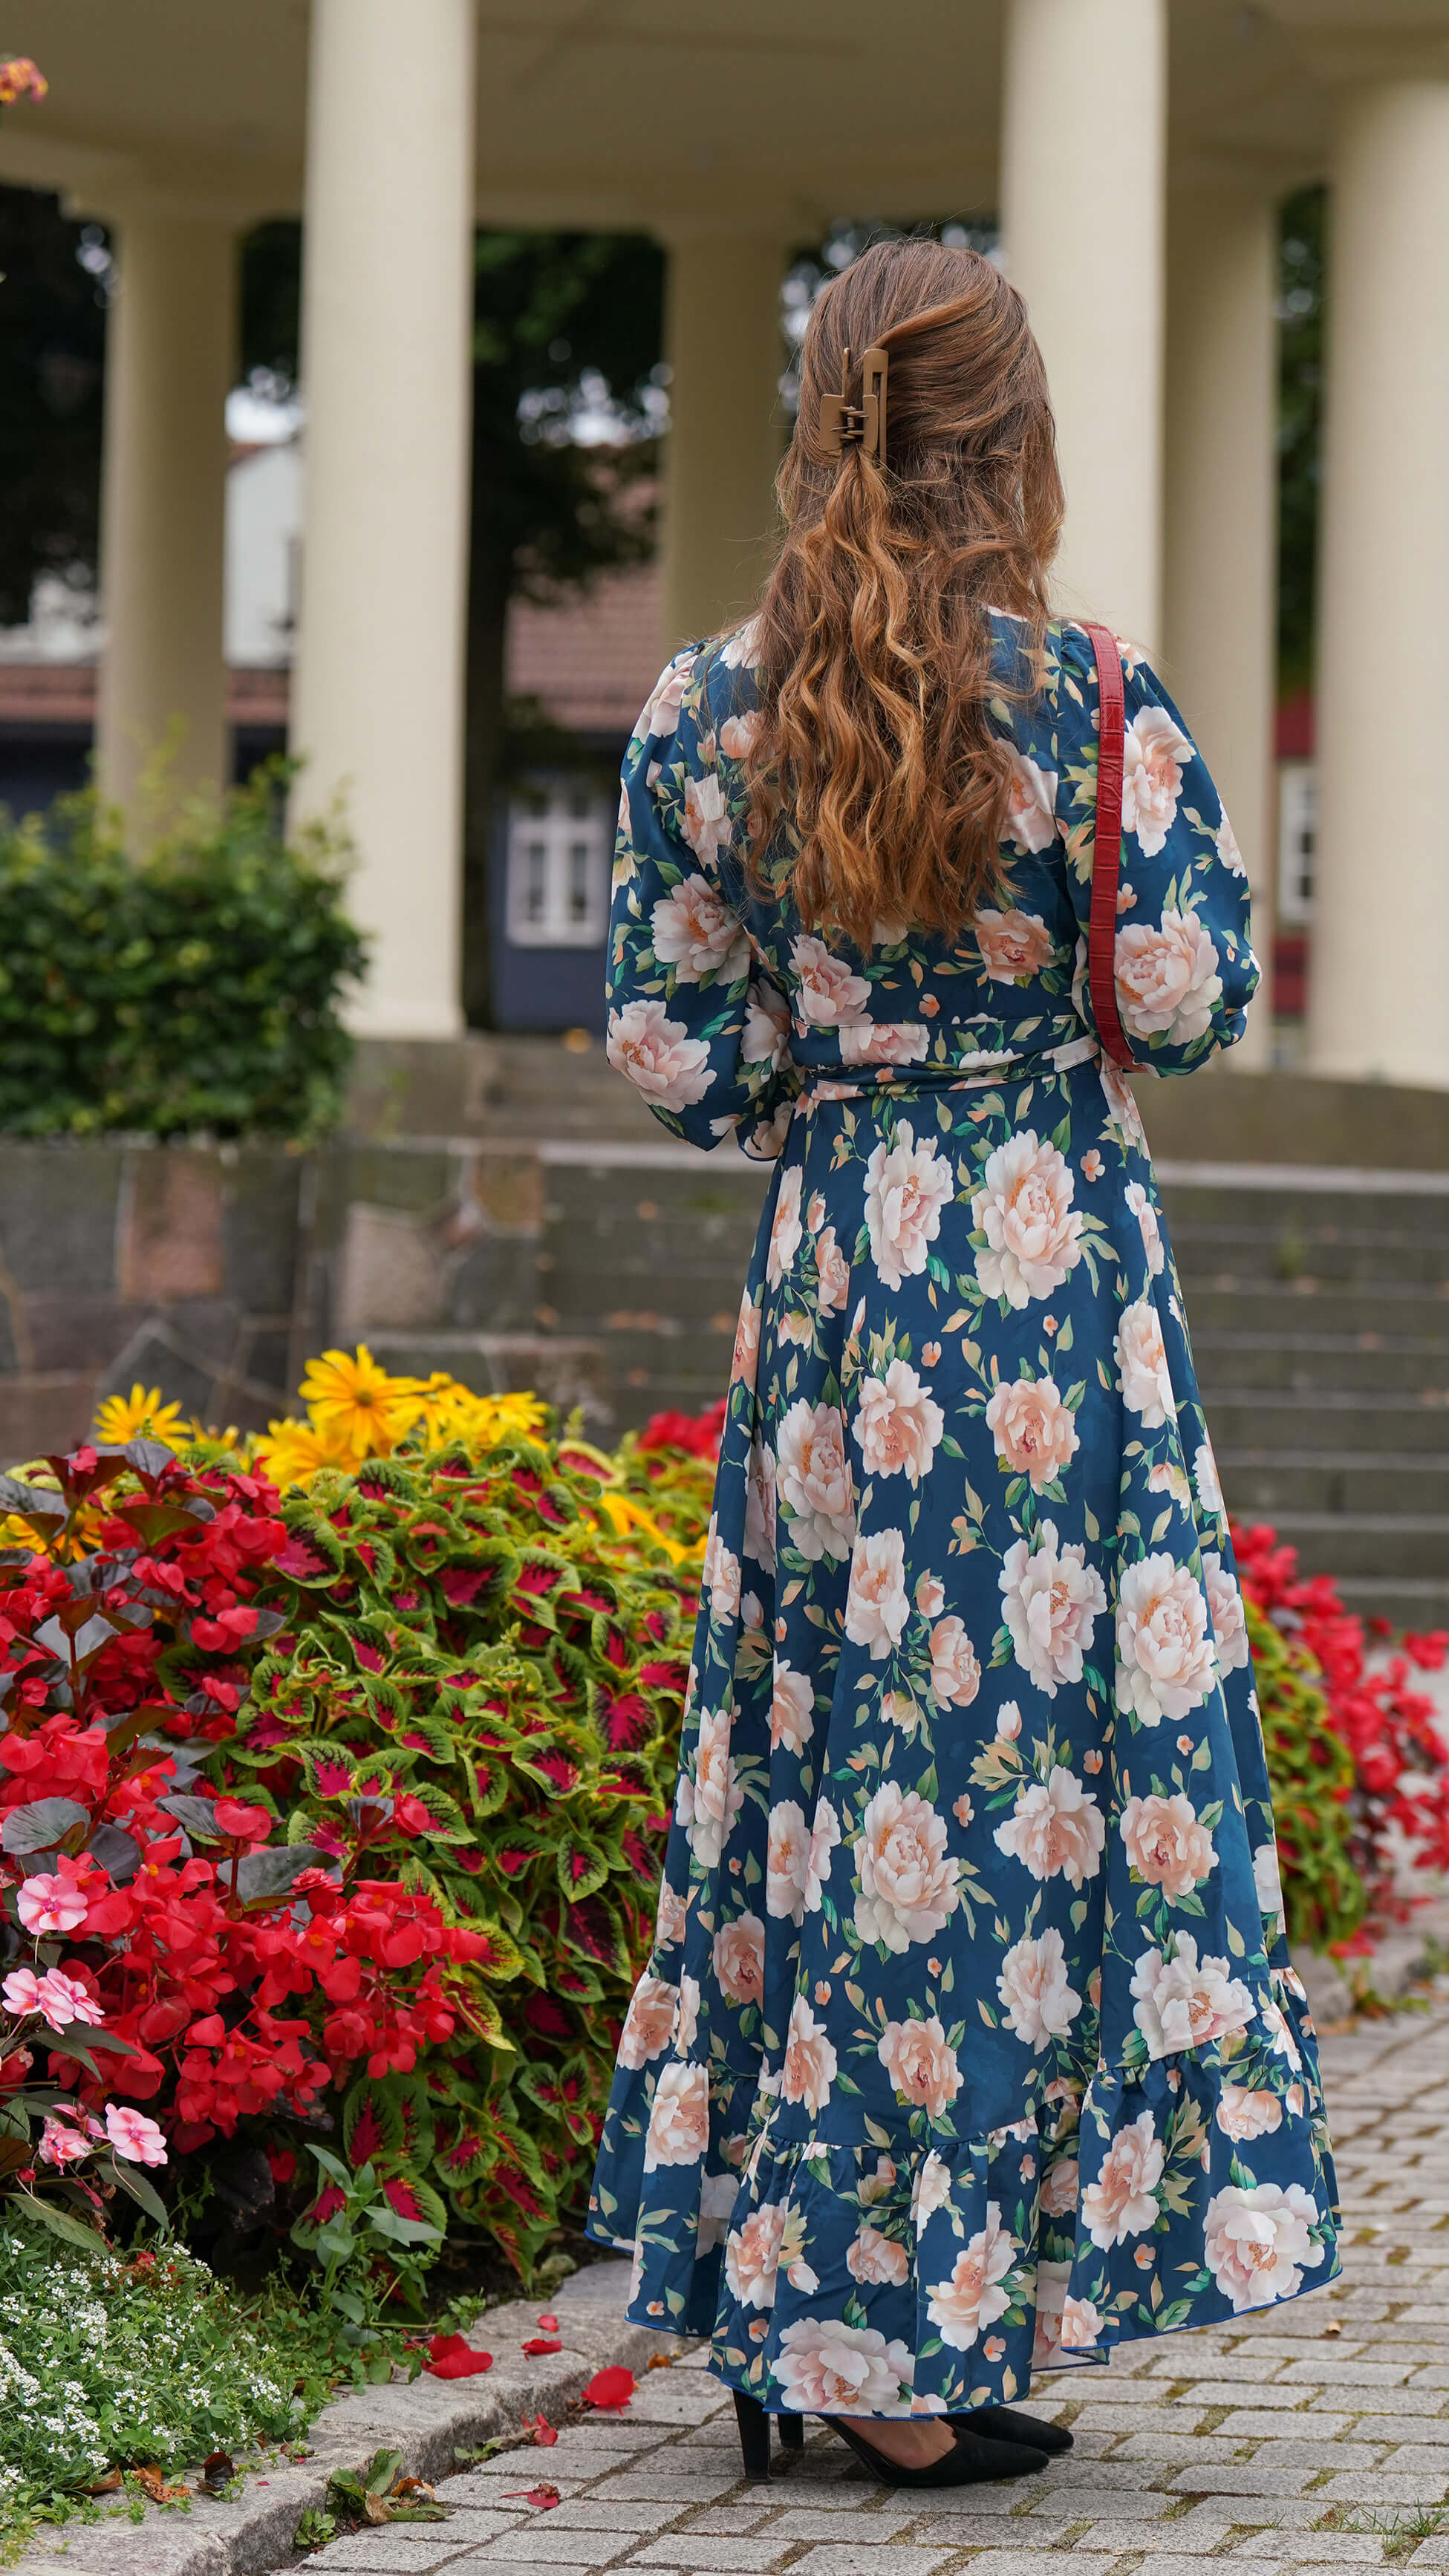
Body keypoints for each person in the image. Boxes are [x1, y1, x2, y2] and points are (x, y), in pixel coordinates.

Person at [586, 236, 1338, 2488]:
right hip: (1045, 1288)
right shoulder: (1097, 704)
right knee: (1009, 1794)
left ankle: (787, 2296)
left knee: (827, 1771)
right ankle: (908, 2360)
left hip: (834, 1283)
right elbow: (1198, 999)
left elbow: (673, 1051)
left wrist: (839, 1062)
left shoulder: (706, 711)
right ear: (1016, 442)